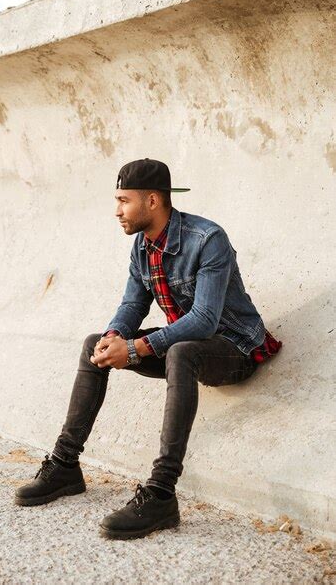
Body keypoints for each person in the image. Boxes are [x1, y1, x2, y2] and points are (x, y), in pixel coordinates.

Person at [14, 158, 282, 540]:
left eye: (124, 200)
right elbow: (132, 305)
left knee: (182, 351)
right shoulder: (142, 245)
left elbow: (205, 319)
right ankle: (64, 465)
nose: (117, 211)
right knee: (95, 343)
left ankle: (160, 494)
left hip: (234, 347)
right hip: (184, 345)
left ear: (153, 200)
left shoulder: (207, 239)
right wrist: (114, 338)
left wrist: (137, 348)